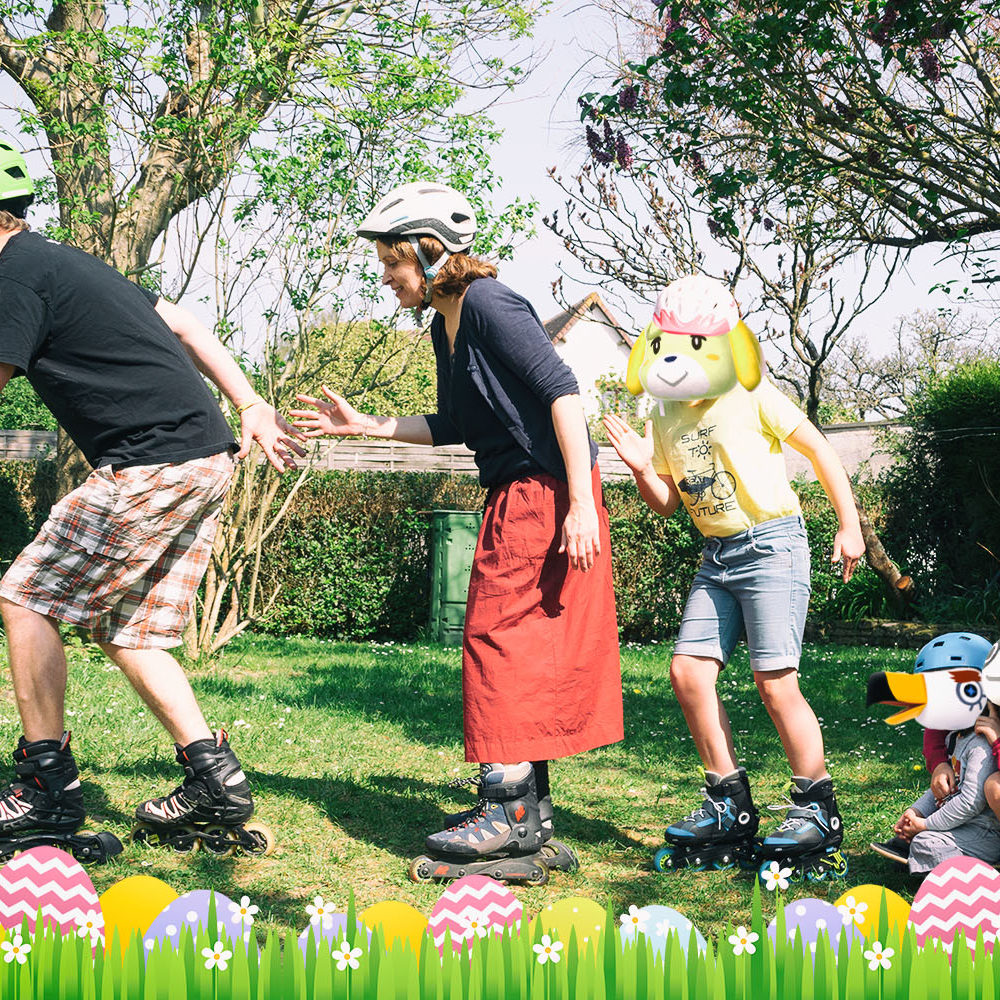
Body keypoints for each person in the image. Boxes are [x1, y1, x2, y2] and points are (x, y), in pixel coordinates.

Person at [291, 181, 623, 882]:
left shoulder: (489, 305)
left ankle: (505, 809)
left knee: (494, 640)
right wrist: (367, 425)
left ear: (427, 249)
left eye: (392, 263)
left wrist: (581, 504)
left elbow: (563, 393)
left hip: (546, 488)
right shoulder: (448, 324)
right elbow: (457, 428)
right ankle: (528, 816)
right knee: (516, 645)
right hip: (521, 490)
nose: (385, 278)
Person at [0, 156, 305, 858]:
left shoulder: (14, 276)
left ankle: (47, 790)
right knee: (130, 630)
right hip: (202, 457)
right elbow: (187, 323)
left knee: (25, 596)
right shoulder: (69, 263)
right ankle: (214, 782)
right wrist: (250, 402)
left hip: (153, 462)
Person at [604, 274, 865, 879]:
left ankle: (816, 805)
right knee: (687, 673)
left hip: (774, 545)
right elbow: (668, 503)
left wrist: (848, 525)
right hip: (717, 556)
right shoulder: (665, 411)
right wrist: (643, 468)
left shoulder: (753, 394)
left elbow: (822, 451)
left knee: (776, 684)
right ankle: (728, 802)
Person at [867, 633, 1000, 876]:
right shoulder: (957, 737)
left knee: (925, 843)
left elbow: (970, 802)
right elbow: (944, 789)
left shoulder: (981, 746)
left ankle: (948, 860)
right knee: (922, 840)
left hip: (986, 833)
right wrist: (916, 812)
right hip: (963, 825)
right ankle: (930, 848)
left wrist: (925, 826)